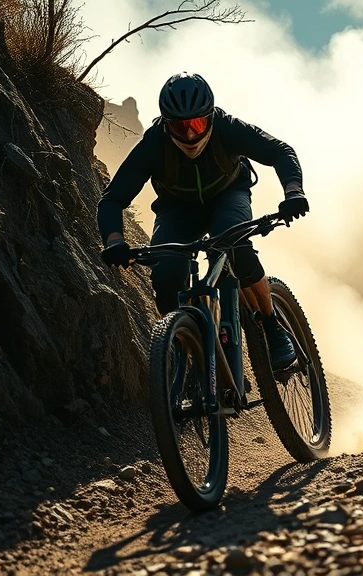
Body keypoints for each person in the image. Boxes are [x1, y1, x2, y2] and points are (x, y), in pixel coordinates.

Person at [97, 72, 308, 370]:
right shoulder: (154, 143)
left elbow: (279, 151)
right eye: (179, 126)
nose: (189, 135)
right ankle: (187, 352)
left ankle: (272, 326)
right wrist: (114, 240)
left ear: (209, 117)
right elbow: (112, 199)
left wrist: (293, 191)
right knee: (166, 276)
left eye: (196, 124)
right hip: (177, 210)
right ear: (166, 123)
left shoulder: (227, 128)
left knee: (234, 244)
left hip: (228, 196)